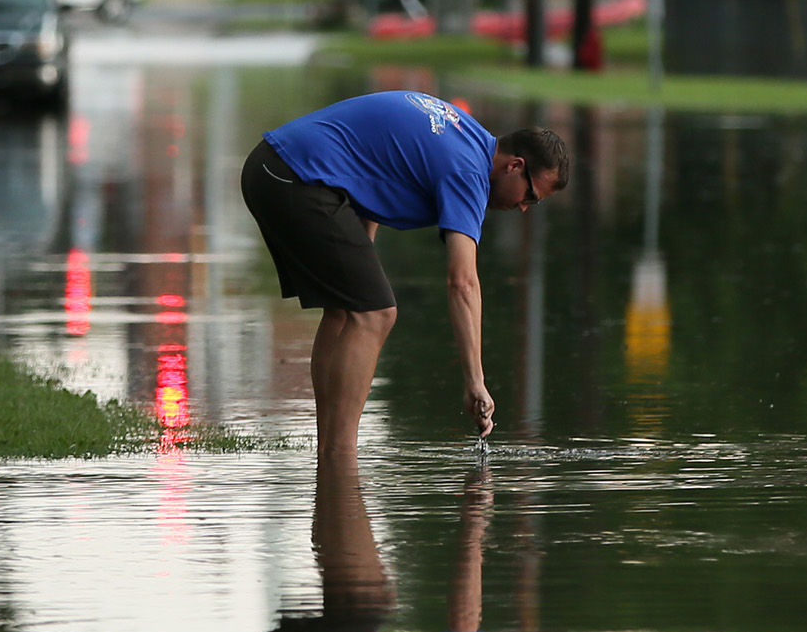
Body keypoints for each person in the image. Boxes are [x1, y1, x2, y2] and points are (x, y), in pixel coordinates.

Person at [240, 89, 567, 467]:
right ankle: (340, 458)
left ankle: (330, 451)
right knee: (377, 313)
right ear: (514, 165)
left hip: (274, 167)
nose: (525, 207)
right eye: (531, 195)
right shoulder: (469, 170)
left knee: (347, 310)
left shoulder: (466, 133)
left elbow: (376, 168)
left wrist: (359, 255)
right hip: (296, 177)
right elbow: (463, 282)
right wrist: (475, 380)